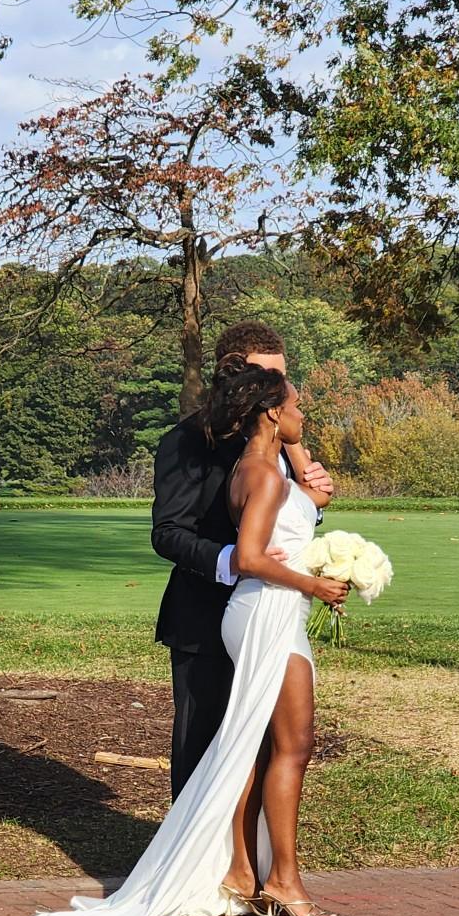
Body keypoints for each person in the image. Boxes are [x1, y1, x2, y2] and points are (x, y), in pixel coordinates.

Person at [27, 363, 346, 916]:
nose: (303, 415)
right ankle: (283, 882)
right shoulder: (264, 475)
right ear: (274, 412)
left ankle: (242, 871)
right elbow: (249, 558)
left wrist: (305, 487)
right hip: (268, 612)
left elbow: (288, 524)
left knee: (249, 743)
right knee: (294, 746)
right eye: (296, 406)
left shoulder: (258, 466)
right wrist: (314, 584)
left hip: (267, 609)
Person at [151, 320, 334, 797]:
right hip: (204, 621)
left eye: (282, 377)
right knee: (204, 750)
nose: (278, 389)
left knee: (267, 746)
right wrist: (234, 559)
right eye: (267, 376)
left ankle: (249, 844)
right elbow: (168, 533)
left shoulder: (281, 440)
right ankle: (193, 844)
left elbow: (286, 514)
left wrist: (313, 503)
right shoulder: (186, 441)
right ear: (233, 373)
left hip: (272, 616)